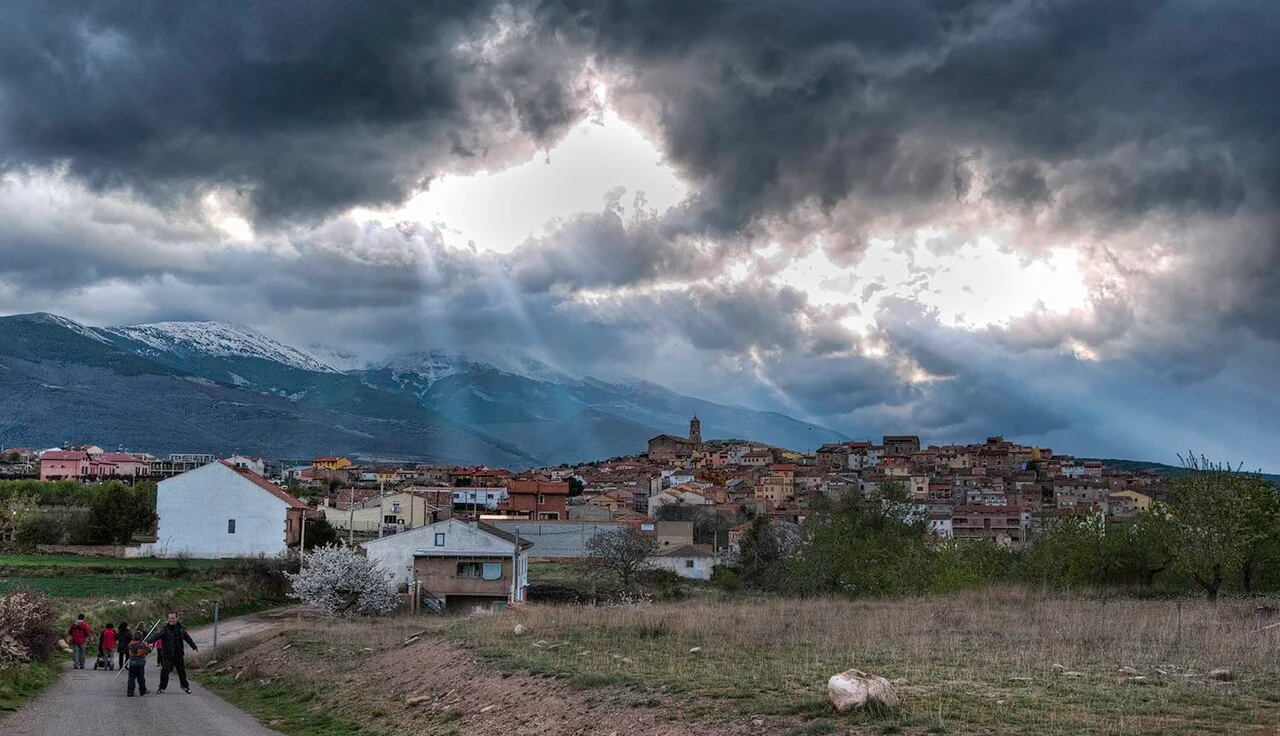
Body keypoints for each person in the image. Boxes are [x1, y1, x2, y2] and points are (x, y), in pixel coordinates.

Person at [146, 612, 197, 694]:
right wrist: (148, 641)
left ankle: (185, 686)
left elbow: (187, 638)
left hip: (178, 653)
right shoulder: (165, 629)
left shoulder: (181, 628)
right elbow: (157, 636)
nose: (171, 620)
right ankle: (162, 687)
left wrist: (194, 646)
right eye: (170, 618)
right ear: (168, 619)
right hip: (167, 654)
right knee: (165, 671)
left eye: (173, 618)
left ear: (176, 618)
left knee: (181, 671)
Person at [125, 626, 150, 697]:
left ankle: (130, 692)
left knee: (131, 679)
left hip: (132, 664)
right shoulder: (141, 645)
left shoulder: (130, 645)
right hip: (140, 664)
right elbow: (148, 651)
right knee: (141, 678)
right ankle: (142, 691)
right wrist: (146, 646)